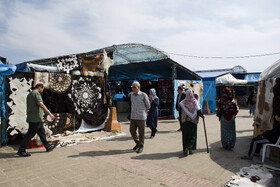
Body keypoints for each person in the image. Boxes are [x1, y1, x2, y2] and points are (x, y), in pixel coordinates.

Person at [17, 83, 56, 157]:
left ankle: (47, 146)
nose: (42, 90)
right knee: (30, 134)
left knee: (42, 133)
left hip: (35, 118)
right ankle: (21, 150)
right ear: (40, 87)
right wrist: (49, 113)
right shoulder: (36, 94)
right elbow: (41, 104)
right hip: (36, 118)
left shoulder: (30, 94)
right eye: (42, 89)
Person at [179, 89, 204, 156]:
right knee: (192, 135)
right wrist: (202, 116)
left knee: (185, 136)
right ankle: (189, 148)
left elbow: (179, 111)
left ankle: (185, 149)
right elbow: (198, 110)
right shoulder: (194, 102)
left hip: (184, 122)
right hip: (192, 122)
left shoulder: (183, 102)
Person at [129, 81, 150, 153]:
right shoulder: (131, 95)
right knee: (132, 131)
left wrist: (144, 113)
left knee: (141, 133)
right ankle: (138, 143)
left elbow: (148, 105)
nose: (133, 89)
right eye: (132, 87)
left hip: (141, 117)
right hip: (133, 116)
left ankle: (141, 146)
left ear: (138, 87)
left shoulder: (143, 95)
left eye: (134, 87)